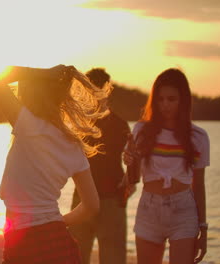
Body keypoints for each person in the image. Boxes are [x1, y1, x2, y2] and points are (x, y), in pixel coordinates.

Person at [0, 65, 107, 263]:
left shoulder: (28, 125)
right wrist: (59, 222)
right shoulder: (73, 144)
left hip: (27, 244)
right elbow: (92, 206)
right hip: (59, 243)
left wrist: (41, 73)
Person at [123, 68, 210, 264]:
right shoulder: (142, 130)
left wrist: (203, 229)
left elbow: (198, 185)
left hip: (183, 211)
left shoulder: (198, 137)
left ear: (183, 100)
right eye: (160, 99)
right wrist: (129, 160)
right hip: (149, 209)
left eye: (172, 99)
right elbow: (131, 180)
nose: (165, 105)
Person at [68, 68, 133, 264]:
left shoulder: (120, 126)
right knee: (76, 256)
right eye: (89, 91)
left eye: (98, 91)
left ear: (107, 91)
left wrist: (131, 181)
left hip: (111, 199)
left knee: (113, 257)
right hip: (81, 198)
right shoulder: (77, 126)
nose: (94, 97)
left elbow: (133, 162)